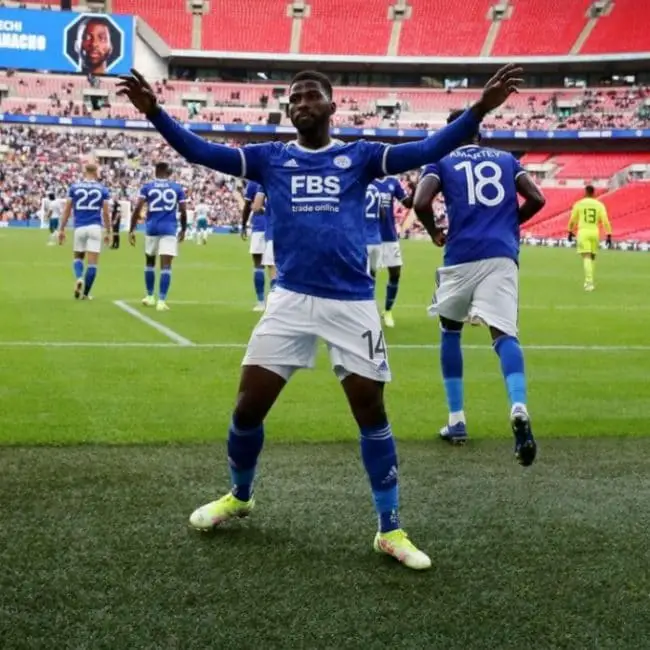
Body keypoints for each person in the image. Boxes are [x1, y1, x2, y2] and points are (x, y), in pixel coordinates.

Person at [118, 64, 523, 570]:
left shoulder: (361, 156)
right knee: (247, 408)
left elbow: (425, 150)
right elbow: (203, 152)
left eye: (311, 97)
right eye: (294, 99)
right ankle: (240, 495)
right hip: (289, 300)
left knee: (370, 414)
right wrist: (155, 113)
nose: (301, 104)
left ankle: (390, 529)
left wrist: (480, 110)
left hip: (351, 302)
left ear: (332, 107)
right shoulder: (269, 158)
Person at [413, 110, 545, 466]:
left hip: (460, 255)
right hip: (502, 255)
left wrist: (433, 231)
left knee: (450, 331)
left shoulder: (440, 159)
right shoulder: (506, 159)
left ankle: (456, 420)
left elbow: (420, 202)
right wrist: (508, 223)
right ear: (480, 135)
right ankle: (518, 406)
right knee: (505, 336)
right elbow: (537, 198)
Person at [130, 162, 187, 312]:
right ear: (167, 172)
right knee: (166, 266)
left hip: (152, 228)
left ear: (156, 171)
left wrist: (132, 228)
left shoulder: (148, 187)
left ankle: (149, 296)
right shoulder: (176, 188)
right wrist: (184, 229)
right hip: (169, 229)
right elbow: (183, 209)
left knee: (149, 262)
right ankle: (161, 301)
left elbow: (138, 207)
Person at [58, 163, 111, 300]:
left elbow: (67, 209)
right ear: (96, 172)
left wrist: (62, 228)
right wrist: (109, 231)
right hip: (95, 227)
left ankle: (79, 277)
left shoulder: (74, 187)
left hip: (80, 227)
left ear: (84, 171)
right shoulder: (103, 190)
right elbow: (106, 212)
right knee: (93, 263)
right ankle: (86, 294)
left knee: (78, 257)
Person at [376, 177, 413, 328]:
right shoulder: (367, 179)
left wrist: (417, 188)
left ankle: (388, 311)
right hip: (370, 236)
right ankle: (367, 310)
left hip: (389, 236)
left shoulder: (393, 181)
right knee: (368, 276)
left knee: (395, 274)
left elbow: (407, 203)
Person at [567, 185, 612, 291]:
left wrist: (570, 231)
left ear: (585, 192)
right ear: (594, 193)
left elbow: (573, 219)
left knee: (586, 257)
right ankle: (590, 279)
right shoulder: (599, 205)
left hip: (583, 232)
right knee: (592, 257)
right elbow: (605, 220)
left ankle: (589, 283)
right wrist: (608, 234)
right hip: (594, 232)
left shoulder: (579, 204)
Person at [240, 181, 268, 311]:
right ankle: (277, 304)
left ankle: (261, 301)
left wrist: (243, 225)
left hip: (260, 227)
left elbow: (247, 207)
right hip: (277, 227)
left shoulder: (254, 183)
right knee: (278, 266)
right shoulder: (280, 174)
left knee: (258, 265)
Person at [364, 181, 383, 279]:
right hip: (376, 239)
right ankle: (372, 294)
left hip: (363, 240)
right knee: (373, 274)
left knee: (363, 275)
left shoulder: (360, 189)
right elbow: (383, 214)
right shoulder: (376, 190)